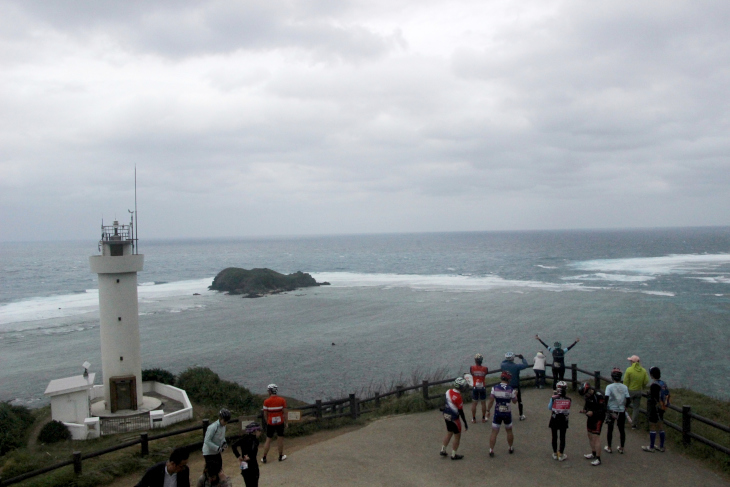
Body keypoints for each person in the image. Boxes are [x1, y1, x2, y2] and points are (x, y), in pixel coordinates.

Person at [486, 370, 518, 457]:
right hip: (507, 413)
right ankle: (510, 447)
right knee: (509, 430)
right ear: (508, 380)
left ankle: (491, 450)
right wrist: (516, 395)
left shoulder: (494, 388)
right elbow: (515, 401)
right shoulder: (511, 389)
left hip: (497, 412)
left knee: (494, 432)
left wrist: (488, 410)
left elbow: (491, 400)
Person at [440, 377, 469, 460]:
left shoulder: (448, 391)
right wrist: (465, 422)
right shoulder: (459, 397)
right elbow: (461, 412)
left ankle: (443, 449)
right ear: (461, 387)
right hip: (454, 418)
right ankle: (453, 454)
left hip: (446, 415)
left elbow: (445, 401)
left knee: (449, 432)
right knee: (457, 436)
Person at [642, 366, 670, 453]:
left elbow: (653, 398)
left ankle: (651, 446)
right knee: (661, 426)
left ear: (652, 375)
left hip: (655, 408)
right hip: (662, 408)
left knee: (653, 426)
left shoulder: (654, 385)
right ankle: (661, 446)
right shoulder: (663, 383)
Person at [604, 367, 631, 454]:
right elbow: (628, 399)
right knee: (621, 429)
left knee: (610, 429)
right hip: (621, 411)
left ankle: (609, 447)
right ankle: (622, 448)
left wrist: (605, 408)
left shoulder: (609, 387)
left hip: (612, 410)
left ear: (612, 377)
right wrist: (626, 406)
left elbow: (606, 398)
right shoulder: (624, 387)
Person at [579, 382, 606, 466]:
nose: (585, 396)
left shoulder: (598, 396)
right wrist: (584, 410)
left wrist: (593, 413)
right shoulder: (587, 396)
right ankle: (593, 453)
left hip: (598, 418)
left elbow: (603, 410)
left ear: (589, 390)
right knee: (589, 435)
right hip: (590, 418)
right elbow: (587, 404)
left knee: (596, 437)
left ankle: (598, 458)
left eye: (586, 393)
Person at [202, 409, 231, 483]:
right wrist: (217, 448)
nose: (225, 423)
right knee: (211, 471)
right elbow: (207, 440)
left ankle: (219, 483)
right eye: (225, 421)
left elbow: (222, 437)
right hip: (209, 453)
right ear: (220, 419)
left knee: (219, 468)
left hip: (217, 452)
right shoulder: (213, 427)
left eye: (227, 421)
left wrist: (224, 443)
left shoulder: (223, 427)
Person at [232, 421, 263, 487]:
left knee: (247, 484)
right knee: (254, 484)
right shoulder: (255, 441)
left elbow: (233, 446)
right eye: (259, 430)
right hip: (253, 465)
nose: (260, 432)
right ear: (254, 431)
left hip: (244, 464)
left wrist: (238, 456)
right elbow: (253, 454)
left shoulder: (244, 438)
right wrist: (249, 458)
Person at [262, 383, 287, 463]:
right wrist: (286, 422)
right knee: (280, 439)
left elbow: (265, 414)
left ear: (270, 391)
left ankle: (264, 457)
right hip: (280, 422)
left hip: (270, 423)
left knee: (268, 439)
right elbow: (285, 413)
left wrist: (267, 422)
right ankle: (280, 456)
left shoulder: (266, 401)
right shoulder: (282, 400)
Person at [500, 352, 529, 420]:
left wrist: (508, 358)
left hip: (507, 386)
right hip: (515, 385)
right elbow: (526, 365)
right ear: (513, 358)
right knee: (519, 401)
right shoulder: (516, 366)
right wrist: (522, 358)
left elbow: (503, 361)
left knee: (506, 401)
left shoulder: (502, 365)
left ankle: (504, 415)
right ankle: (521, 415)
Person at [548, 381, 571, 461]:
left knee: (554, 436)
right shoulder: (569, 399)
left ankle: (554, 453)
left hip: (554, 418)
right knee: (562, 437)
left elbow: (549, 407)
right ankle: (561, 454)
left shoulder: (553, 398)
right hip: (564, 420)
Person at [624, 355, 649, 429]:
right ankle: (634, 424)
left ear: (632, 362)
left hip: (630, 391)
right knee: (636, 408)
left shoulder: (629, 370)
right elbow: (646, 381)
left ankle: (623, 421)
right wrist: (642, 387)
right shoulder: (643, 370)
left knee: (624, 406)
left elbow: (626, 381)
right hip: (638, 391)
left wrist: (625, 390)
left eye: (630, 361)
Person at [470, 353, 489, 423]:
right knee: (483, 403)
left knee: (474, 403)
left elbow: (471, 373)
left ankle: (474, 419)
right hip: (482, 387)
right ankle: (483, 418)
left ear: (475, 361)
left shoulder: (472, 368)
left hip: (475, 386)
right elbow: (486, 373)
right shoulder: (485, 368)